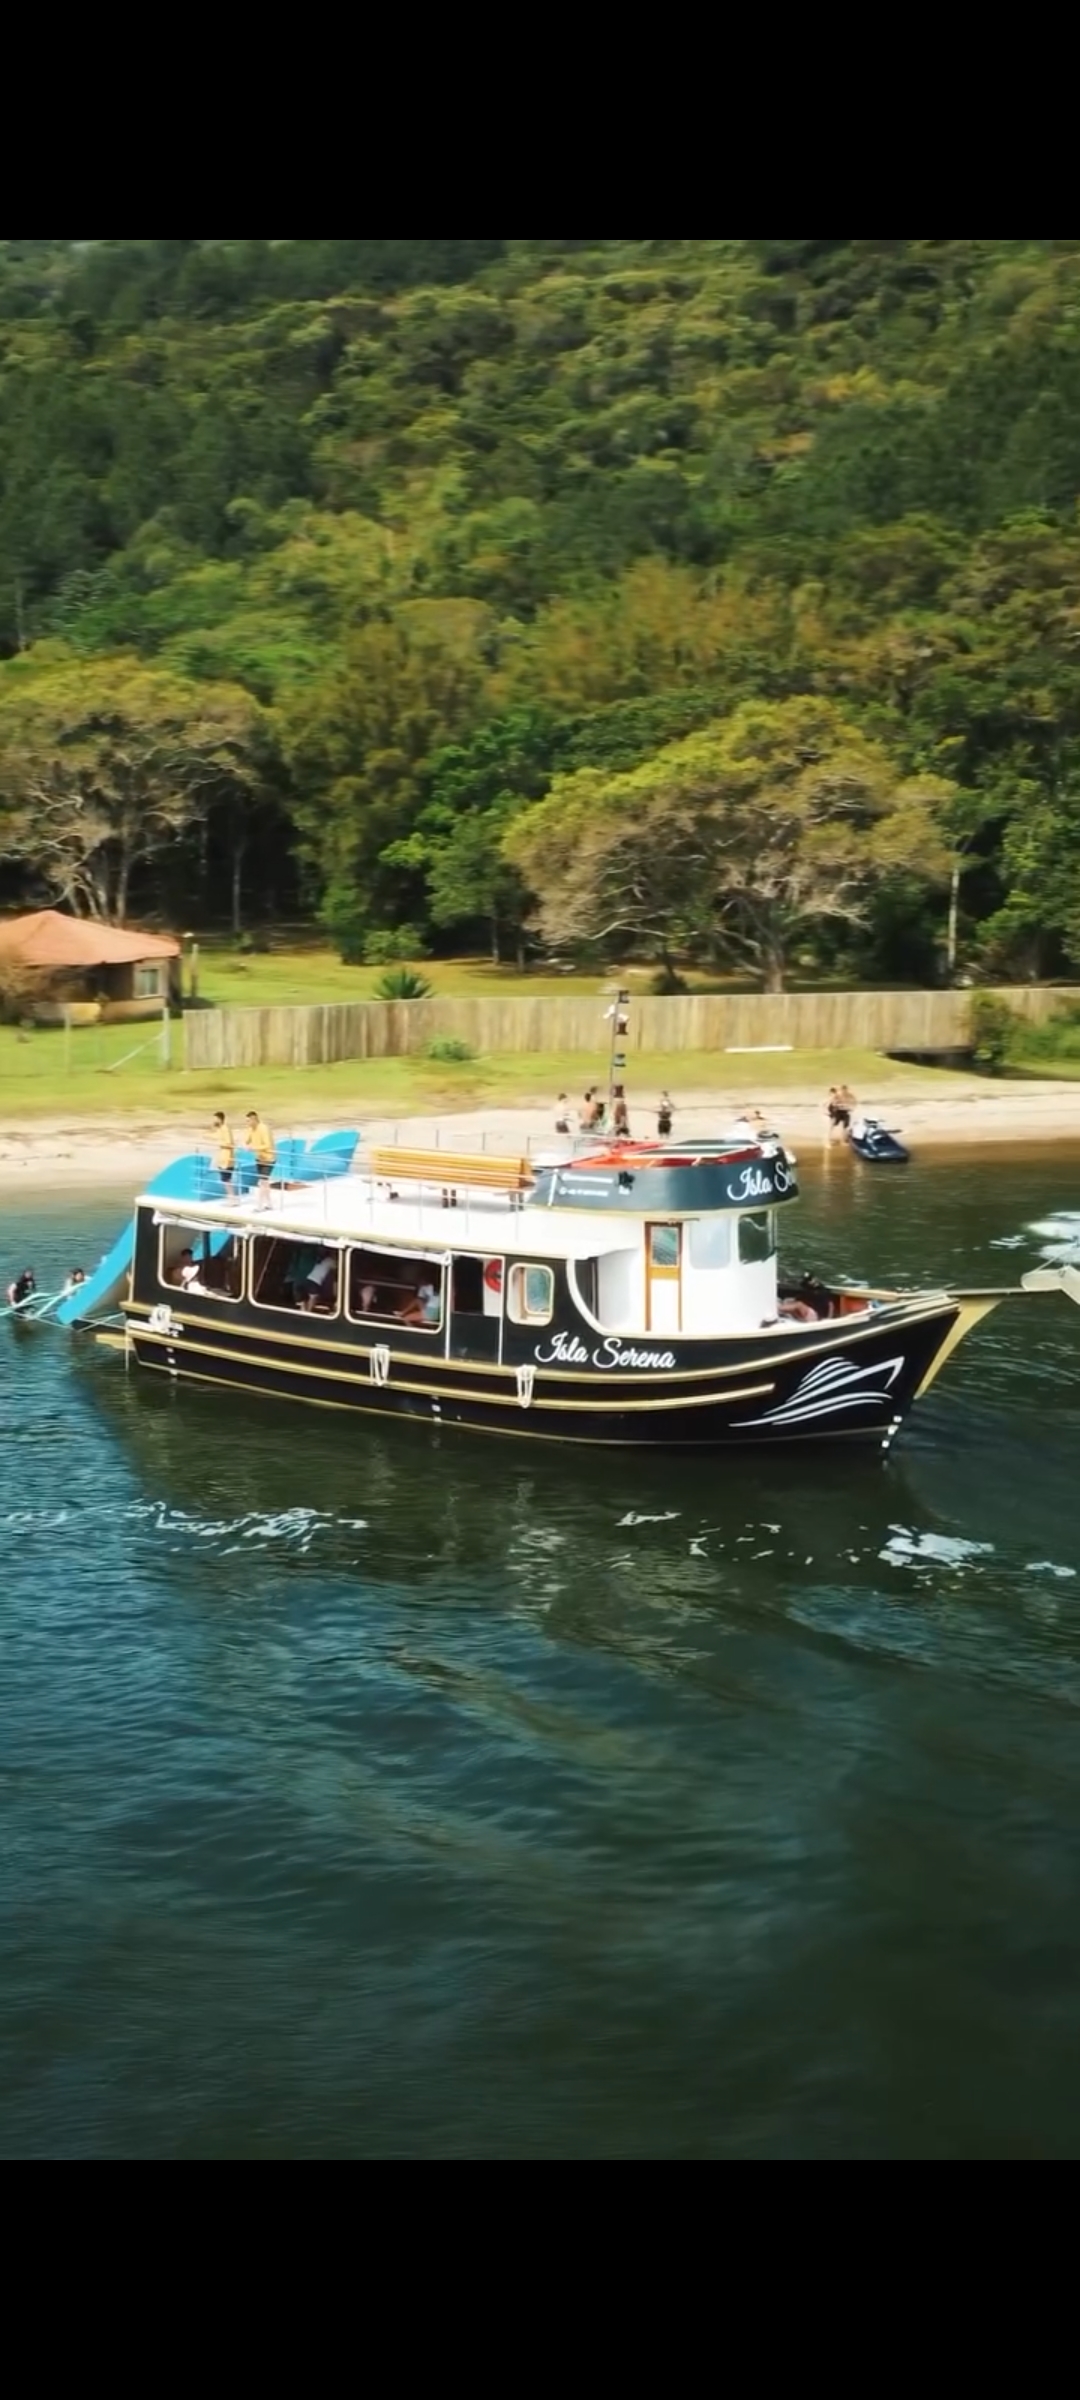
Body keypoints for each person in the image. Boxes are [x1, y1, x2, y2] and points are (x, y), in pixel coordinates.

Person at [245, 1109, 276, 1200]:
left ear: (254, 1119)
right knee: (264, 1182)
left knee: (263, 1182)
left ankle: (260, 1206)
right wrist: (249, 1130)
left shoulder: (263, 1128)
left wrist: (253, 1148)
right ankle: (269, 1204)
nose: (247, 1123)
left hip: (268, 1159)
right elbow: (247, 1141)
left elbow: (267, 1145)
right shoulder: (252, 1129)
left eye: (248, 1121)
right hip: (259, 1158)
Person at [213, 1111, 235, 1191]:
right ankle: (231, 1199)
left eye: (215, 1119)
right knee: (225, 1180)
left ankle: (232, 1199)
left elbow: (229, 1143)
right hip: (222, 1159)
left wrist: (221, 1144)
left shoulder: (225, 1129)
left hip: (227, 1160)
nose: (213, 1121)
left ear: (219, 1119)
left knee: (227, 1180)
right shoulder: (220, 1129)